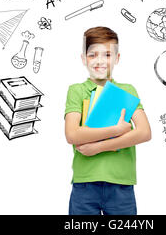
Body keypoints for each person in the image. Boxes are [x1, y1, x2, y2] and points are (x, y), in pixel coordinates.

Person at [64, 26, 151, 215]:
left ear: (117, 58)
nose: (100, 61)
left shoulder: (127, 90)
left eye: (107, 55)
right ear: (83, 58)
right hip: (85, 183)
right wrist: (118, 130)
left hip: (121, 184)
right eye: (92, 54)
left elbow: (144, 132)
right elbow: (72, 134)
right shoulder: (77, 90)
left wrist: (96, 147)